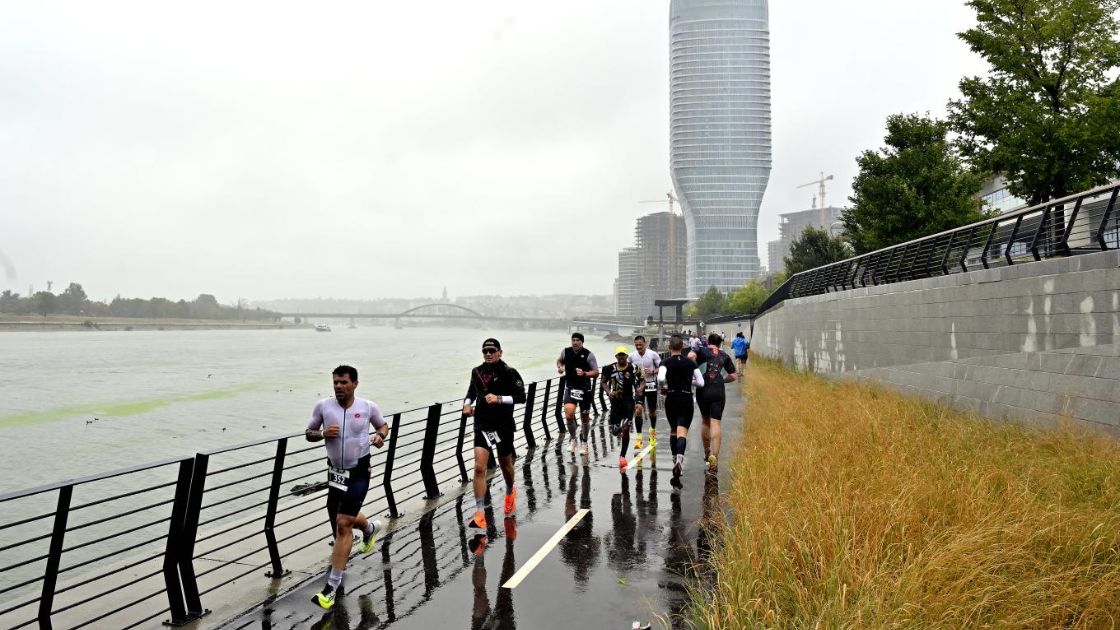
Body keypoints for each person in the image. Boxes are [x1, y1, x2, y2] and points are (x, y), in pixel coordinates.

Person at [305, 365, 388, 610]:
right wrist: (321, 434)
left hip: (360, 471)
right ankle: (370, 528)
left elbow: (383, 426)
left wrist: (380, 437)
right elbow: (308, 432)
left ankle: (330, 588)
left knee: (342, 525)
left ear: (355, 384)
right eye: (335, 383)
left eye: (343, 382)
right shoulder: (323, 406)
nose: (339, 386)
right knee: (344, 521)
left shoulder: (367, 407)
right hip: (335, 474)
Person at [463, 338, 526, 531]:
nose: (488, 354)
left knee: (505, 464)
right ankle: (480, 513)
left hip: (503, 425)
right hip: (482, 424)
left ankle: (509, 491)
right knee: (479, 468)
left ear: (500, 352)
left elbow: (521, 397)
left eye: (492, 351)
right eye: (485, 351)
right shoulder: (477, 372)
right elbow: (471, 392)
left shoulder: (509, 372)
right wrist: (466, 403)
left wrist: (499, 399)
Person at [657, 335, 703, 488]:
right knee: (682, 431)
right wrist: (691, 382)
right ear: (683, 347)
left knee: (673, 430)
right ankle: (679, 459)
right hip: (686, 397)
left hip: (671, 397)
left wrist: (664, 387)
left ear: (669, 348)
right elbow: (701, 383)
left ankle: (673, 459)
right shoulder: (690, 363)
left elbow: (661, 378)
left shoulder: (665, 362)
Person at [691, 333, 737, 473]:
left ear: (708, 342)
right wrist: (722, 380)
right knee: (716, 422)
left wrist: (694, 371)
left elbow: (691, 356)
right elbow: (733, 376)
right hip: (718, 388)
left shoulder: (701, 350)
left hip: (703, 388)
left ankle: (706, 453)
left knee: (705, 421)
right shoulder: (724, 355)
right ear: (720, 344)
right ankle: (714, 459)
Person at [556, 332, 599, 455]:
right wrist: (560, 367)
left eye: (577, 340)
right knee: (569, 415)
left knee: (584, 418)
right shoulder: (566, 351)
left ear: (582, 342)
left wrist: (585, 373)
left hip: (585, 390)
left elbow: (596, 372)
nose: (575, 342)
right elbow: (559, 361)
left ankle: (584, 441)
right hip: (570, 388)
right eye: (573, 340)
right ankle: (573, 439)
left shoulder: (589, 355)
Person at [601, 345, 642, 470]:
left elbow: (642, 379)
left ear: (626, 356)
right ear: (616, 356)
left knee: (626, 428)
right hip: (615, 402)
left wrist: (640, 388)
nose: (621, 357)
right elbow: (603, 382)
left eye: (623, 355)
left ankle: (622, 457)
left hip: (628, 401)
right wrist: (609, 392)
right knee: (615, 431)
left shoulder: (633, 368)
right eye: (619, 355)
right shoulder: (609, 368)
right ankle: (617, 429)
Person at [628, 335, 661, 450]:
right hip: (639, 386)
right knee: (638, 409)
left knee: (652, 412)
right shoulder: (631, 356)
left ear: (645, 343)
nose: (638, 347)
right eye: (636, 345)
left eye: (640, 344)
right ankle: (639, 438)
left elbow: (661, 368)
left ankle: (652, 432)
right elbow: (627, 369)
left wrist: (653, 371)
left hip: (651, 384)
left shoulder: (653, 354)